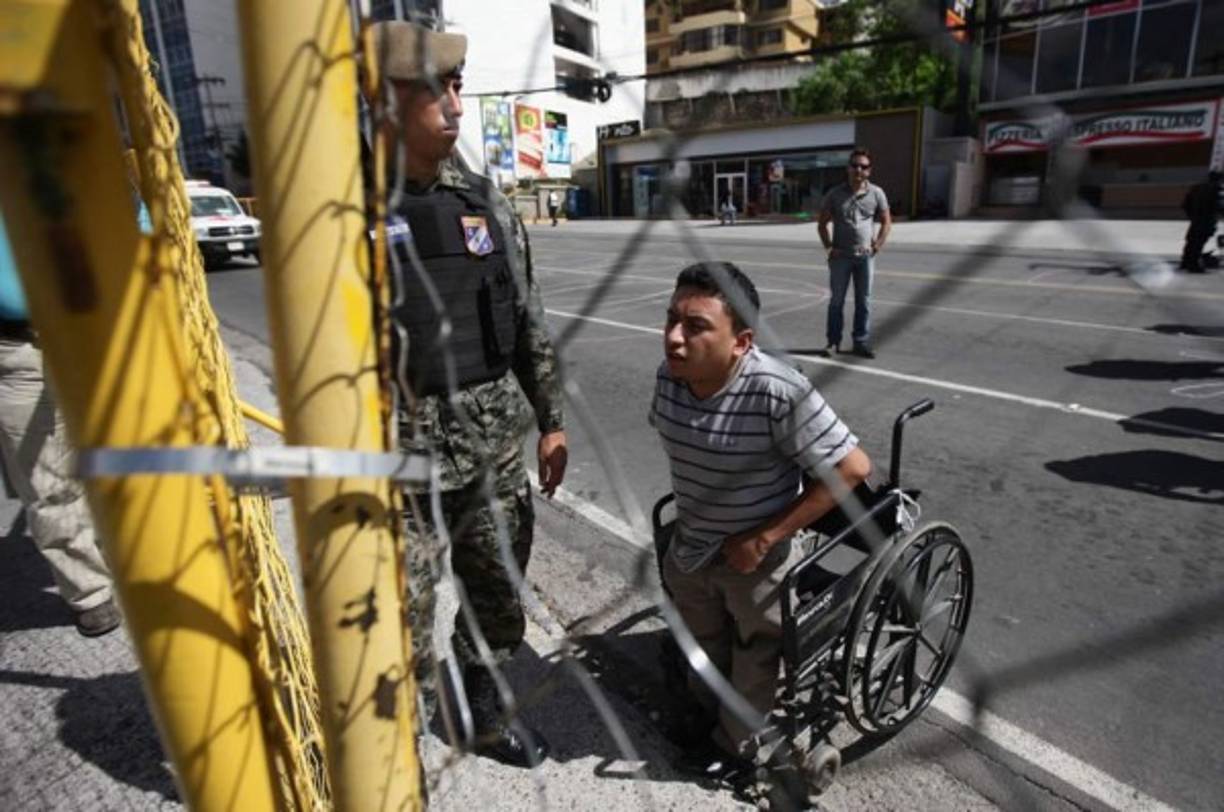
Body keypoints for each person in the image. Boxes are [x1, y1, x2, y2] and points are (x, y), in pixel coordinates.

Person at [371, 20, 568, 768]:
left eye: (459, 85)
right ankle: (395, 758)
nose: (456, 104)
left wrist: (551, 422)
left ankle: (482, 713)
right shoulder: (344, 214)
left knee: (497, 600)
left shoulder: (486, 203)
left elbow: (526, 322)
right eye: (437, 89)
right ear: (388, 102)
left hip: (490, 451)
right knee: (400, 618)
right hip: (398, 466)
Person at [650, 261, 872, 776]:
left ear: (742, 341)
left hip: (757, 555)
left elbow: (854, 468)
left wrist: (765, 535)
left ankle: (736, 746)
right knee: (701, 638)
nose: (674, 338)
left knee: (757, 652)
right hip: (692, 545)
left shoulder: (777, 391)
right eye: (671, 320)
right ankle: (703, 712)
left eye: (696, 326)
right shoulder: (669, 378)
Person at [0, 213, 119, 637]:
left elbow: (133, 215)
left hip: (87, 330)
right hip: (14, 349)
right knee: (47, 481)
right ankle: (90, 593)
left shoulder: (59, 153)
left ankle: (119, 546)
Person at [817, 147, 891, 359]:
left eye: (863, 166)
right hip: (841, 258)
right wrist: (829, 248)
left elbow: (886, 222)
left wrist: (877, 245)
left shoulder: (877, 193)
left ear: (869, 170)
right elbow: (822, 224)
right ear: (847, 169)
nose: (859, 169)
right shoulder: (834, 194)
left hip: (865, 258)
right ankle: (833, 342)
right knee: (836, 302)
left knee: (864, 301)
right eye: (855, 166)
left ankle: (860, 341)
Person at [1179, 170, 1221, 273]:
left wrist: (1192, 216)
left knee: (1191, 241)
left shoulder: (1196, 188)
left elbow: (1185, 204)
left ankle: (1185, 262)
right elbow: (1219, 205)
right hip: (1207, 220)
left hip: (1196, 220)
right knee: (1199, 243)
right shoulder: (1216, 189)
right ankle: (1193, 265)